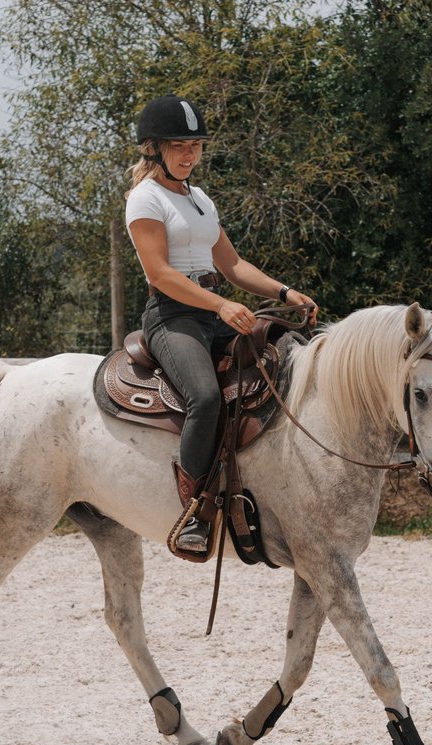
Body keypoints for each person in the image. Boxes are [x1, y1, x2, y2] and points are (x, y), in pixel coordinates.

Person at [125, 95, 317, 553]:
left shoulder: (200, 199)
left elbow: (232, 264)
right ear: (153, 149)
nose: (190, 155)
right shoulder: (144, 199)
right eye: (179, 146)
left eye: (196, 146)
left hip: (212, 308)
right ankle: (193, 514)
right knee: (206, 398)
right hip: (173, 315)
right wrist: (220, 307)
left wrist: (284, 293)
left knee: (286, 358)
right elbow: (161, 275)